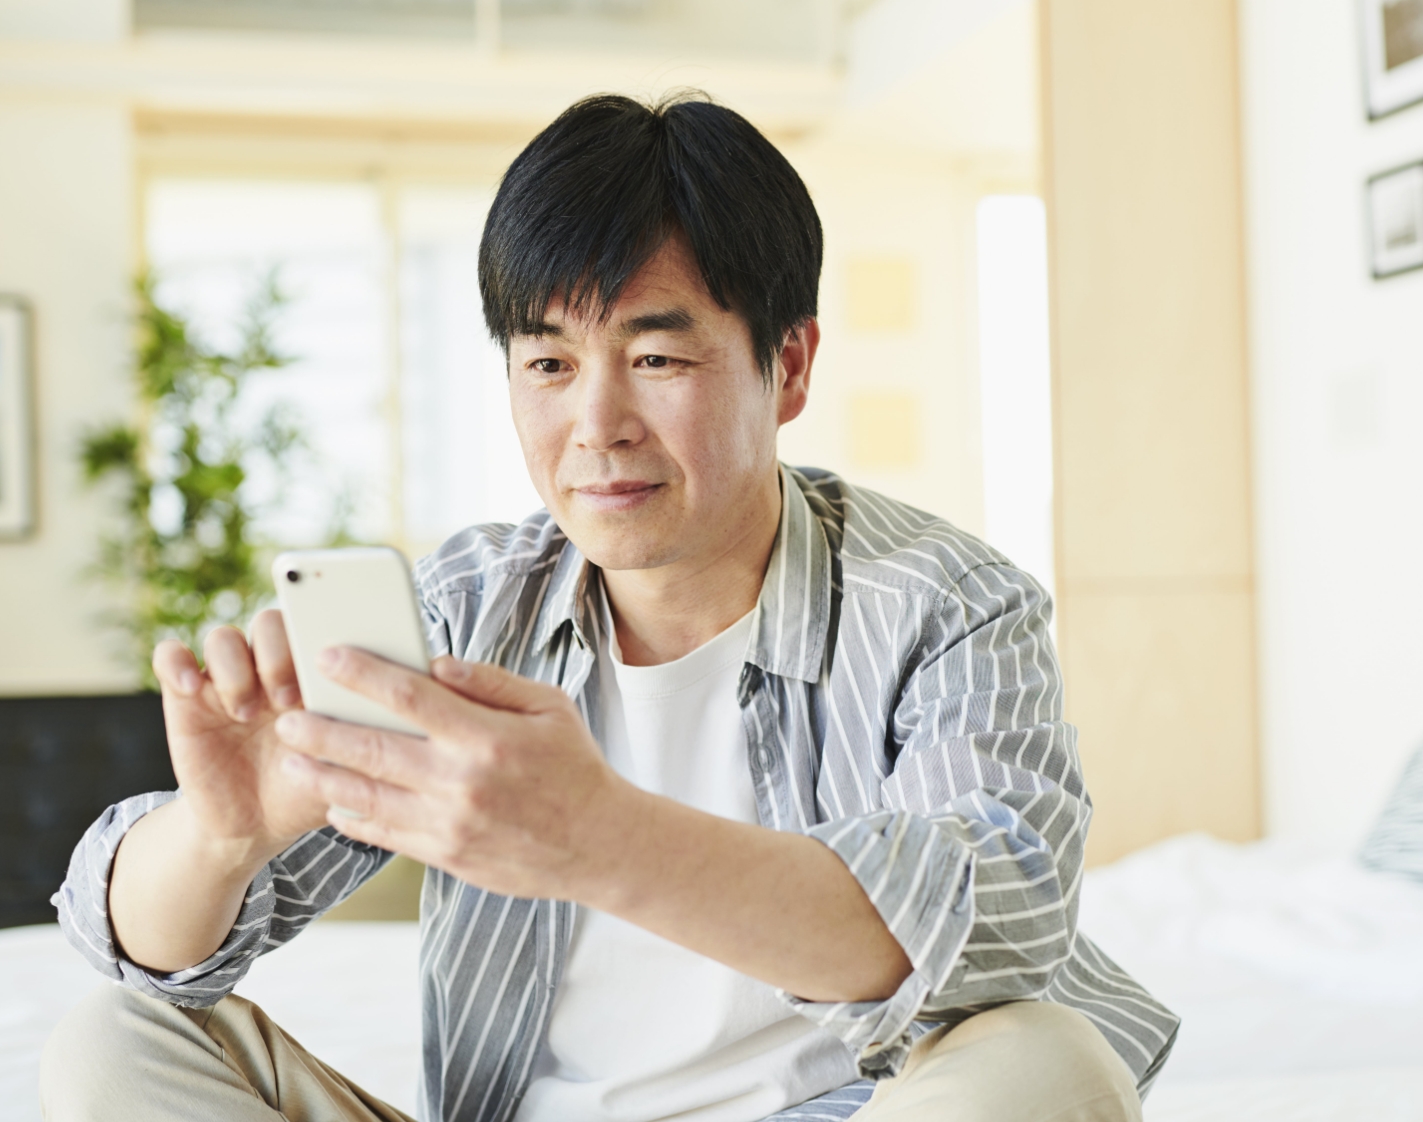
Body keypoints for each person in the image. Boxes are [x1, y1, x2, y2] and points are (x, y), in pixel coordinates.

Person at [41, 94, 1177, 1122]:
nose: (597, 424)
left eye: (656, 358)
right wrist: (223, 834)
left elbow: (1001, 929)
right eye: (547, 365)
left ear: (788, 366)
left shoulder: (950, 605)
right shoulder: (468, 608)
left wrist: (595, 838)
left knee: (1044, 1066)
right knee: (111, 1043)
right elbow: (143, 956)